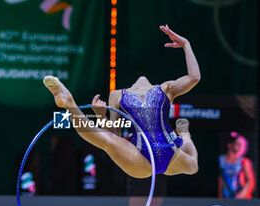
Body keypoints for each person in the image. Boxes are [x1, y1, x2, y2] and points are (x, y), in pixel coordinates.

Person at [44, 25, 200, 178]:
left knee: (193, 166)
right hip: (139, 156)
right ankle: (69, 102)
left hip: (171, 154)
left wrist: (186, 44)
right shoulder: (117, 95)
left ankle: (185, 135)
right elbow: (115, 134)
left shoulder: (166, 88)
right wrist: (100, 115)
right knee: (107, 140)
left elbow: (194, 77)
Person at [218, 132, 256, 199]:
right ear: (229, 145)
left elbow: (250, 181)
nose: (239, 146)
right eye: (236, 143)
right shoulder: (221, 160)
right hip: (225, 198)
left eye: (239, 144)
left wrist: (241, 195)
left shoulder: (244, 161)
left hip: (240, 198)